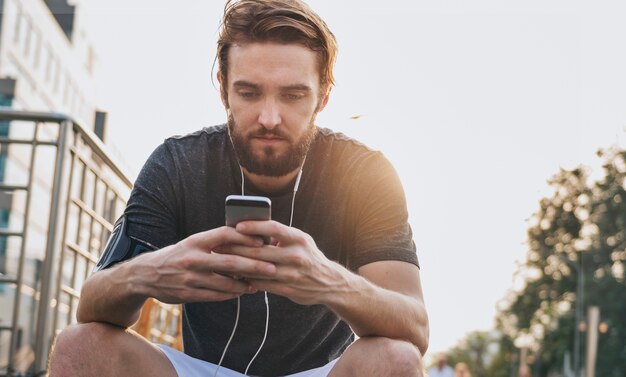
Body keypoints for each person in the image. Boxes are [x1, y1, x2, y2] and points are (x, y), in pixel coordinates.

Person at [48, 0, 429, 376]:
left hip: (322, 372)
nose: (269, 118)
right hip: (203, 370)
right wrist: (147, 272)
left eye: (293, 95)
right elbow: (91, 306)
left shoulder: (366, 173)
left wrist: (329, 281)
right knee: (79, 345)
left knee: (396, 359)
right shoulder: (177, 163)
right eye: (248, 93)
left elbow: (415, 327)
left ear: (323, 96)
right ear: (223, 89)